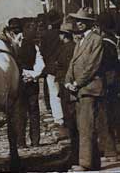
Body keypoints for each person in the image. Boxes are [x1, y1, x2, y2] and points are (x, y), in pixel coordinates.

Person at [64, 8, 104, 171]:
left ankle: (85, 163)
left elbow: (92, 65)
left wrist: (77, 83)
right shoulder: (80, 41)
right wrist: (68, 80)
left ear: (89, 23)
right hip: (80, 89)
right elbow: (73, 63)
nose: (78, 23)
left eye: (82, 21)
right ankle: (92, 161)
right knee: (83, 126)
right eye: (77, 20)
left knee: (86, 126)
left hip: (89, 88)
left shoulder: (95, 40)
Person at [10, 17, 45, 148]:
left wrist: (31, 75)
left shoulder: (31, 45)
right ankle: (22, 141)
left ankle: (33, 140)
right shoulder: (11, 45)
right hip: (20, 82)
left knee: (30, 111)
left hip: (28, 82)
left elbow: (39, 63)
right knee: (23, 112)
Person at [97, 12, 119, 162]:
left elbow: (105, 66)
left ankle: (110, 150)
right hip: (116, 82)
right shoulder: (114, 40)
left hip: (108, 83)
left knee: (105, 116)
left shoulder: (104, 43)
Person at [57, 23, 79, 165]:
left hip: (67, 89)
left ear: (64, 35)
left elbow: (61, 67)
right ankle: (75, 152)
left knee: (72, 122)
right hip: (69, 88)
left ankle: (75, 153)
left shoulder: (66, 49)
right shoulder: (75, 47)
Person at [40, 11, 64, 127]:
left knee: (54, 93)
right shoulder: (62, 34)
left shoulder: (45, 35)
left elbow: (42, 52)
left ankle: (58, 118)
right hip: (62, 67)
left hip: (50, 67)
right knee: (63, 92)